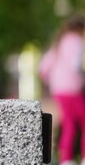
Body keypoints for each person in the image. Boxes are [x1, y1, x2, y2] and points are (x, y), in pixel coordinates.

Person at [39, 14, 85, 165]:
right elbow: (75, 64)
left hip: (59, 89)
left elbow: (44, 67)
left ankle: (66, 160)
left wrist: (52, 81)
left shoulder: (59, 42)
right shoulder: (76, 41)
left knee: (69, 123)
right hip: (72, 88)